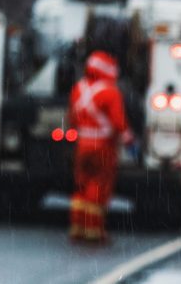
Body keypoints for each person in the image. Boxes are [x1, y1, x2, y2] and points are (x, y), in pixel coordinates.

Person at [67, 50, 130, 244]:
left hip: (82, 145)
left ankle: (77, 226)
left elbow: (72, 118)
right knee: (98, 185)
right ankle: (94, 230)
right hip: (102, 146)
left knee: (81, 184)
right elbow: (118, 122)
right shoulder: (110, 92)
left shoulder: (79, 88)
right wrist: (128, 137)